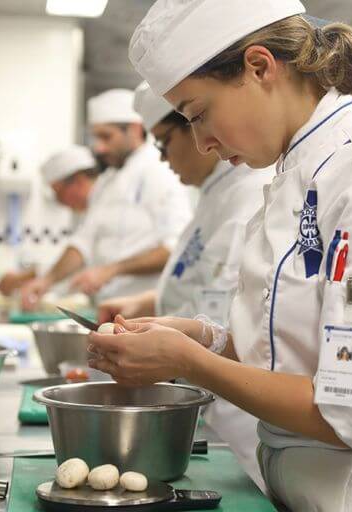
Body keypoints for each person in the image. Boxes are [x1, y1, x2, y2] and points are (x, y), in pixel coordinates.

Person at [87, 1, 352, 510]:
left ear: (259, 67)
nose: (202, 142)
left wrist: (189, 363)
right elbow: (298, 354)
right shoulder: (297, 179)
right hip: (309, 489)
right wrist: (203, 338)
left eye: (199, 114)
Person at [98, 81, 273, 488]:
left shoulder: (247, 194)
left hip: (241, 419)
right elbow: (205, 286)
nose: (162, 159)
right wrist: (147, 305)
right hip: (212, 402)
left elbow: (238, 319)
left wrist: (183, 353)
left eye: (163, 143)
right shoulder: (214, 195)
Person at [20, 89, 192, 307]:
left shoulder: (159, 171)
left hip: (146, 313)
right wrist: (46, 280)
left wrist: (111, 270)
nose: (99, 147)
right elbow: (84, 242)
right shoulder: (107, 181)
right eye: (96, 137)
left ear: (135, 130)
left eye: (106, 136)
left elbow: (174, 248)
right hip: (108, 308)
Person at [0, 145, 98, 296]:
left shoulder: (106, 206)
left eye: (59, 192)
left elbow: (82, 255)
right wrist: (35, 277)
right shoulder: (90, 212)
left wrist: (31, 277)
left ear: (78, 180)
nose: (60, 201)